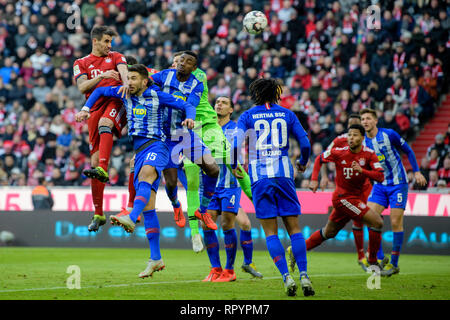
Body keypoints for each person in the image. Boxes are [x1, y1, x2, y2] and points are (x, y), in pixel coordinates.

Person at [78, 64, 195, 277]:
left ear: (144, 81)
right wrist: (86, 109)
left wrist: (190, 117)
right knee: (149, 209)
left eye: (133, 78)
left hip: (157, 146)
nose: (129, 82)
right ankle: (156, 259)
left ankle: (132, 216)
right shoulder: (123, 93)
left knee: (144, 178)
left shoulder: (157, 95)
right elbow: (99, 91)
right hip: (139, 151)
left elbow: (184, 104)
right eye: (128, 78)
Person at [233, 78, 314, 297]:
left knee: (271, 233)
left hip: (260, 177)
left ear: (256, 93)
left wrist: (234, 164)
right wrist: (304, 162)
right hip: (284, 174)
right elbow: (305, 143)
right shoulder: (288, 113)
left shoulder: (247, 115)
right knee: (295, 229)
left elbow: (235, 144)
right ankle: (304, 274)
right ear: (276, 93)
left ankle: (286, 277)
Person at [286, 113, 384, 272]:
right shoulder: (340, 150)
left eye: (355, 135)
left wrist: (363, 171)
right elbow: (319, 158)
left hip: (356, 196)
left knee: (329, 232)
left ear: (362, 137)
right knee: (377, 222)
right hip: (342, 198)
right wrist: (315, 179)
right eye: (350, 134)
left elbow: (380, 176)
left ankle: (296, 251)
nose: (351, 138)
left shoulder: (369, 154)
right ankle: (372, 262)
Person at [151, 51, 223, 247]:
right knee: (172, 182)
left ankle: (203, 210)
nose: (183, 63)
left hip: (185, 134)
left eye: (188, 62)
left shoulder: (196, 84)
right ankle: (176, 205)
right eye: (181, 60)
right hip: (166, 138)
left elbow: (191, 104)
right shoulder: (164, 75)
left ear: (194, 68)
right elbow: (146, 81)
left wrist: (190, 117)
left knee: (213, 169)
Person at [73, 26, 129, 232]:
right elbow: (82, 87)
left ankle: (105, 169)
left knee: (106, 123)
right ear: (95, 41)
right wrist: (102, 75)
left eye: (110, 41)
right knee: (94, 163)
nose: (109, 45)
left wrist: (124, 82)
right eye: (106, 41)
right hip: (93, 109)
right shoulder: (81, 63)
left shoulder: (116, 56)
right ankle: (98, 213)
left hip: (114, 101)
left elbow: (123, 70)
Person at [201, 96, 262, 282]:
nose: (218, 104)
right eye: (217, 102)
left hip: (230, 185)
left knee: (228, 224)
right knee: (206, 224)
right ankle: (215, 268)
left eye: (224, 103)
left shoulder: (236, 129)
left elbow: (237, 152)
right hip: (210, 184)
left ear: (230, 110)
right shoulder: (206, 127)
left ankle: (230, 270)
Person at [360, 108, 427, 276]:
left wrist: (417, 171)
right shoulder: (363, 143)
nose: (365, 121)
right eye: (362, 119)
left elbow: (409, 151)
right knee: (369, 218)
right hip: (379, 185)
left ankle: (394, 264)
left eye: (368, 118)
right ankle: (381, 258)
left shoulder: (389, 134)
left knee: (395, 221)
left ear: (375, 121)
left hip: (398, 183)